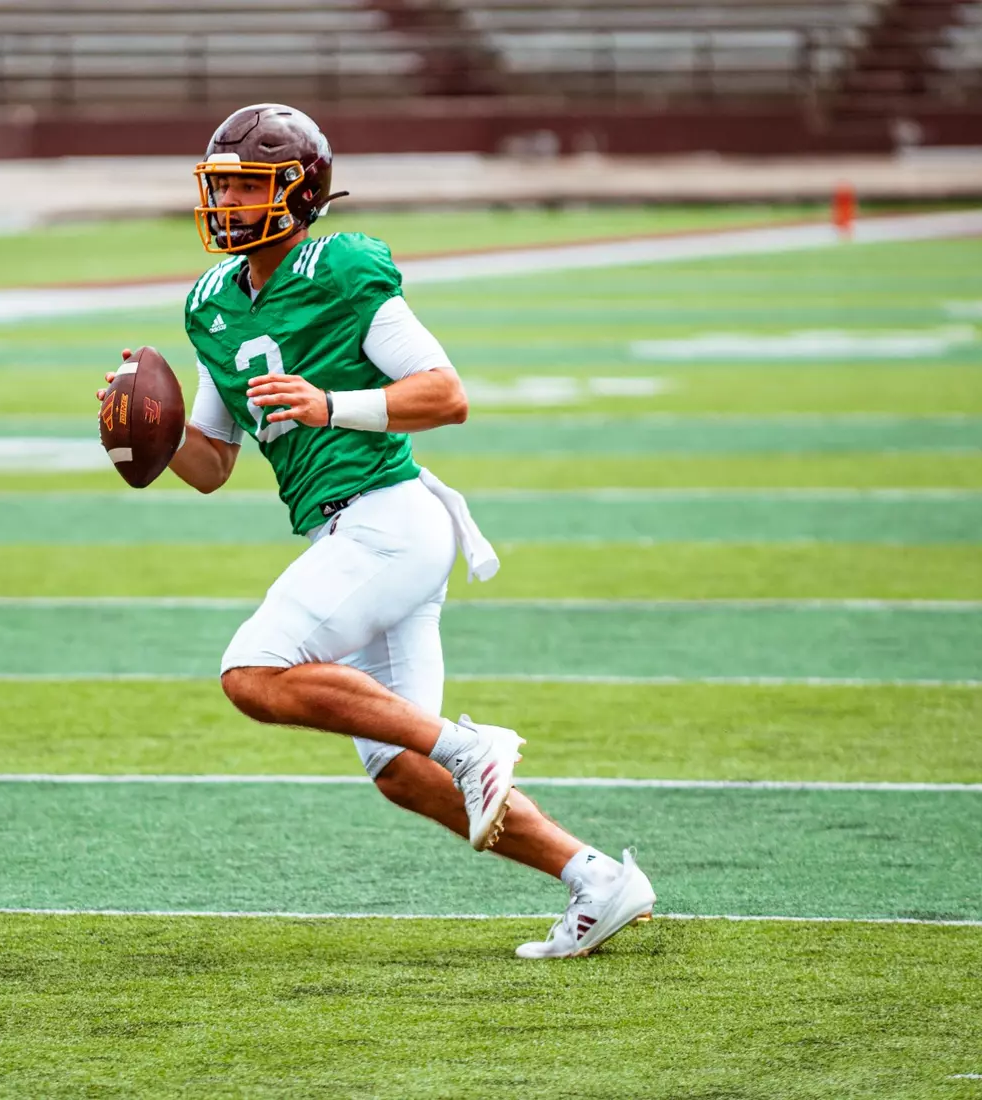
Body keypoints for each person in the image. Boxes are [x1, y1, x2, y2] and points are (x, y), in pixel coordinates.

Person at [96, 103, 655, 958]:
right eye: (222, 188)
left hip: (389, 521)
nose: (227, 205)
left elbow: (446, 393)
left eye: (247, 188)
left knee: (251, 673)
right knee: (401, 771)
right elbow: (212, 464)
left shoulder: (341, 266)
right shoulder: (211, 304)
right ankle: (597, 880)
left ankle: (472, 746)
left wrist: (331, 405)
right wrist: (148, 435)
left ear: (300, 193)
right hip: (350, 535)